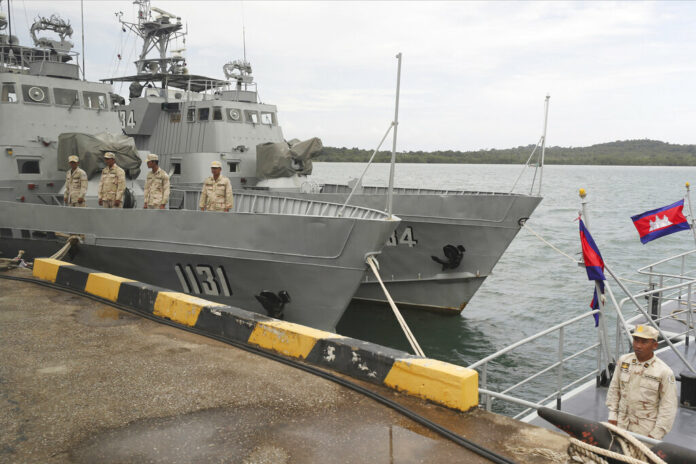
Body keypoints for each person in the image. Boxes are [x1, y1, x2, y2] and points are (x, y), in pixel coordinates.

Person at [605, 324, 677, 440]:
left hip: (645, 430)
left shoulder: (664, 372)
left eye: (644, 342)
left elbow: (668, 406)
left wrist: (655, 435)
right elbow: (614, 388)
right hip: (621, 423)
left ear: (654, 345)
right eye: (636, 340)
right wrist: (612, 415)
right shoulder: (624, 361)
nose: (638, 346)